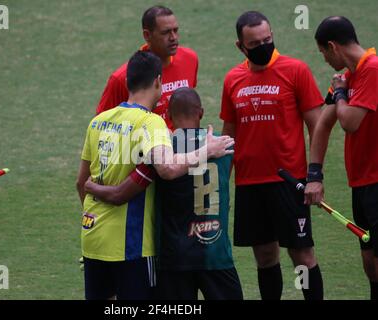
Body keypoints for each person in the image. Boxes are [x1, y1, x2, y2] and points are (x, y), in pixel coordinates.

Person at [76, 51, 233, 300]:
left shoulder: (98, 122)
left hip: (92, 238)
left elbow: (81, 182)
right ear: (158, 81)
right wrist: (207, 150)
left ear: (128, 82)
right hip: (130, 246)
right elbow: (167, 168)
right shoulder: (150, 124)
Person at [219, 11, 324, 300]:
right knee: (265, 257)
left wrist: (315, 175)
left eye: (268, 39)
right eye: (255, 43)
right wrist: (220, 186)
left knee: (302, 254)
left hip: (290, 181)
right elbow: (229, 135)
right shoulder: (233, 79)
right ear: (241, 47)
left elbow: (318, 125)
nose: (264, 46)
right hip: (250, 183)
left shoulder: (296, 70)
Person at [305, 16, 378, 300]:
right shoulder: (348, 78)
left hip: (376, 182)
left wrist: (340, 94)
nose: (323, 59)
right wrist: (314, 175)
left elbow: (349, 122)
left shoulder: (372, 70)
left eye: (323, 52)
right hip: (361, 183)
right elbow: (324, 124)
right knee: (370, 264)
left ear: (333, 46)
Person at [96, 5, 198, 129]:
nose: (173, 38)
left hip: (184, 143)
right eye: (166, 32)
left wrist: (199, 145)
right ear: (147, 35)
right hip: (146, 146)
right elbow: (101, 126)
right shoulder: (121, 77)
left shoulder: (190, 59)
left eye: (175, 30)